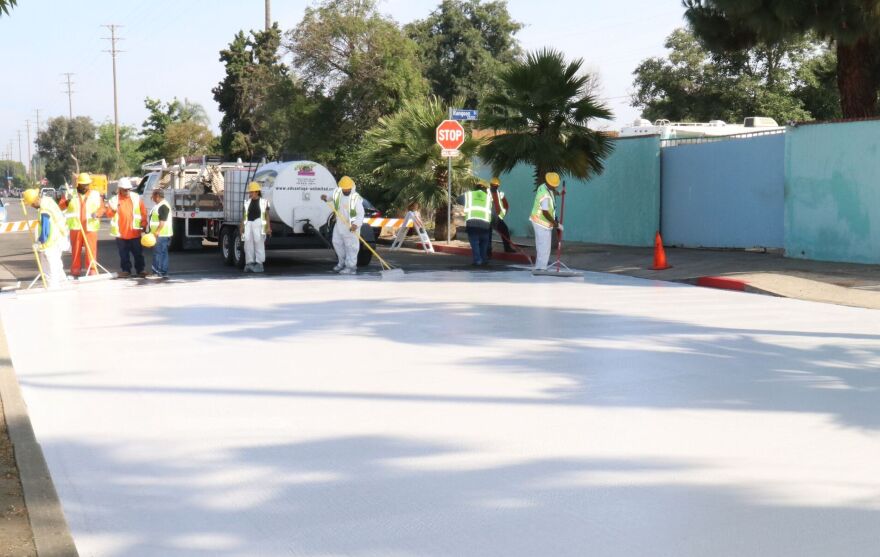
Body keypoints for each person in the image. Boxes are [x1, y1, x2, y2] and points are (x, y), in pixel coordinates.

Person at [58, 172, 104, 277]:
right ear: (79, 184)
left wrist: (97, 213)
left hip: (90, 227)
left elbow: (102, 208)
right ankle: (75, 270)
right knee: (76, 249)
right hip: (76, 227)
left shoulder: (95, 195)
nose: (85, 187)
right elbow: (61, 206)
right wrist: (67, 201)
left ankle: (92, 269)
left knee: (91, 249)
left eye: (87, 184)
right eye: (83, 185)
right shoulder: (70, 194)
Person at [24, 188, 69, 288]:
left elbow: (46, 229)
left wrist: (39, 242)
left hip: (51, 242)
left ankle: (53, 288)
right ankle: (63, 284)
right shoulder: (48, 201)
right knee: (57, 265)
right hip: (58, 238)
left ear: (35, 200)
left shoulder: (44, 210)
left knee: (50, 268)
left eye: (31, 204)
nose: (31, 206)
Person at [103, 177, 147, 278]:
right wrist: (113, 210)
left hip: (134, 232)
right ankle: (126, 270)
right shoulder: (114, 200)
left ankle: (140, 270)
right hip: (121, 234)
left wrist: (144, 224)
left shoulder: (136, 197)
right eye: (125, 189)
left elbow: (143, 212)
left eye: (128, 189)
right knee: (124, 255)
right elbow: (109, 214)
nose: (127, 191)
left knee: (138, 254)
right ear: (120, 189)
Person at [321, 176, 364, 275]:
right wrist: (325, 197)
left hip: (351, 226)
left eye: (347, 189)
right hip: (340, 223)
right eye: (344, 189)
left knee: (351, 246)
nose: (345, 190)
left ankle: (351, 267)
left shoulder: (355, 198)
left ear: (351, 187)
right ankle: (342, 263)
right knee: (337, 242)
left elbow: (360, 214)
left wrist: (356, 225)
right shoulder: (337, 192)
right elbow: (329, 196)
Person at [456, 178, 494, 266]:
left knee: (475, 242)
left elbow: (458, 200)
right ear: (486, 189)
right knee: (484, 242)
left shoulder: (469, 195)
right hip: (485, 224)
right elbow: (492, 211)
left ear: (475, 187)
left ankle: (478, 260)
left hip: (472, 224)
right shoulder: (489, 198)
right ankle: (484, 259)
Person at [531, 172, 562, 271]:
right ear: (550, 184)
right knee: (544, 246)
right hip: (541, 222)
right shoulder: (545, 195)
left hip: (536, 219)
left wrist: (559, 193)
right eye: (554, 186)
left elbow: (552, 192)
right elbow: (545, 212)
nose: (555, 187)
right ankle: (542, 268)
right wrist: (556, 224)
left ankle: (539, 266)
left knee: (541, 245)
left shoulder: (543, 186)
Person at [240, 182, 271, 273]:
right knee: (248, 244)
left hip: (259, 224)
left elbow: (267, 215)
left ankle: (259, 264)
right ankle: (249, 263)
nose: (250, 194)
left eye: (252, 192)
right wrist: (241, 226)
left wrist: (268, 228)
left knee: (259, 243)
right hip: (248, 225)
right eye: (250, 192)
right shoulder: (247, 202)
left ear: (257, 192)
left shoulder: (264, 202)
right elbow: (244, 215)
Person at [146, 189, 173, 279]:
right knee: (163, 253)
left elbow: (162, 221)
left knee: (158, 253)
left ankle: (156, 272)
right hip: (162, 234)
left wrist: (156, 232)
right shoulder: (159, 205)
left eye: (152, 196)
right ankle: (162, 272)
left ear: (157, 196)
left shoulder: (163, 206)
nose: (152, 198)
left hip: (161, 235)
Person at [488, 176, 515, 256]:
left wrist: (502, 214)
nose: (494, 187)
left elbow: (506, 205)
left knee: (505, 230)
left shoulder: (500, 194)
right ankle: (488, 251)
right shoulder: (487, 193)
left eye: (495, 186)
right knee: (488, 234)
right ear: (491, 185)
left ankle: (507, 248)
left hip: (496, 218)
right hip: (488, 217)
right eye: (493, 185)